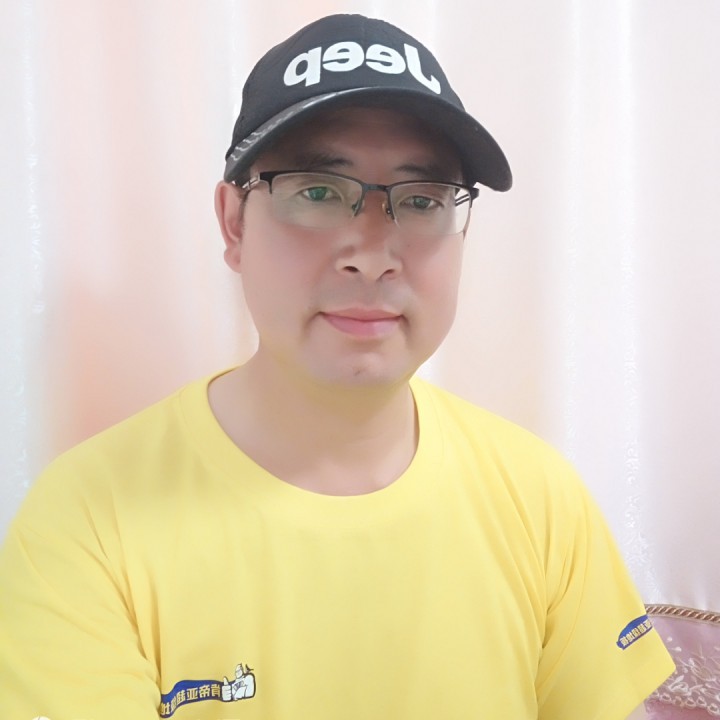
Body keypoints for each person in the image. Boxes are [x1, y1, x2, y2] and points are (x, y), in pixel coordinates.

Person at [0, 13, 673, 720]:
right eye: (318, 192)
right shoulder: (88, 520)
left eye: (421, 200)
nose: (372, 254)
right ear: (234, 223)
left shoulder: (541, 499)